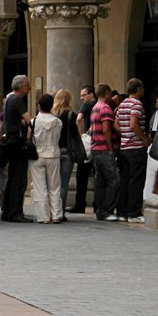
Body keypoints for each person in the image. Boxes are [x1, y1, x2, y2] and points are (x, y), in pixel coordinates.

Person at [115, 78, 150, 223]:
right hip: (136, 147)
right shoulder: (137, 104)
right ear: (138, 88)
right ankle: (134, 213)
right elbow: (134, 123)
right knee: (136, 180)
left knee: (125, 179)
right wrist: (143, 138)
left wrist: (124, 134)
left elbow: (116, 124)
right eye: (142, 88)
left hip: (124, 147)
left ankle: (122, 211)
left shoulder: (122, 104)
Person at [0, 75, 33, 223]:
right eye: (27, 84)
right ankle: (15, 212)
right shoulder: (18, 100)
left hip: (10, 142)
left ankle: (7, 210)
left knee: (12, 178)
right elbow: (30, 120)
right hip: (17, 143)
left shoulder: (9, 99)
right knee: (19, 179)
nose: (29, 87)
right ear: (21, 86)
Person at [30, 93, 63, 224]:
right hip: (53, 154)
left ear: (39, 105)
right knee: (54, 186)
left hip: (37, 155)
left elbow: (30, 138)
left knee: (40, 187)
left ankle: (43, 216)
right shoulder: (58, 122)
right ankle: (56, 214)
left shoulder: (33, 122)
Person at [91, 83, 120, 222]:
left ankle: (100, 210)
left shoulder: (95, 108)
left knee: (100, 182)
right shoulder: (106, 108)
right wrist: (110, 148)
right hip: (104, 149)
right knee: (114, 180)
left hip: (95, 149)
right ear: (107, 92)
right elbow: (106, 129)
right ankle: (108, 210)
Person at [67, 85, 95, 214]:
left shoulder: (87, 105)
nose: (81, 98)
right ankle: (97, 204)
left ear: (91, 94)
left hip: (88, 144)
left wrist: (81, 136)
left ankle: (80, 204)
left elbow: (79, 119)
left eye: (84, 95)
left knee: (82, 175)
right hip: (98, 144)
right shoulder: (99, 105)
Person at [51, 89, 77, 220]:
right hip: (67, 152)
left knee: (52, 183)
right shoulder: (72, 115)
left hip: (53, 152)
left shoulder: (52, 115)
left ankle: (51, 210)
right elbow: (75, 135)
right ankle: (60, 212)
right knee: (63, 184)